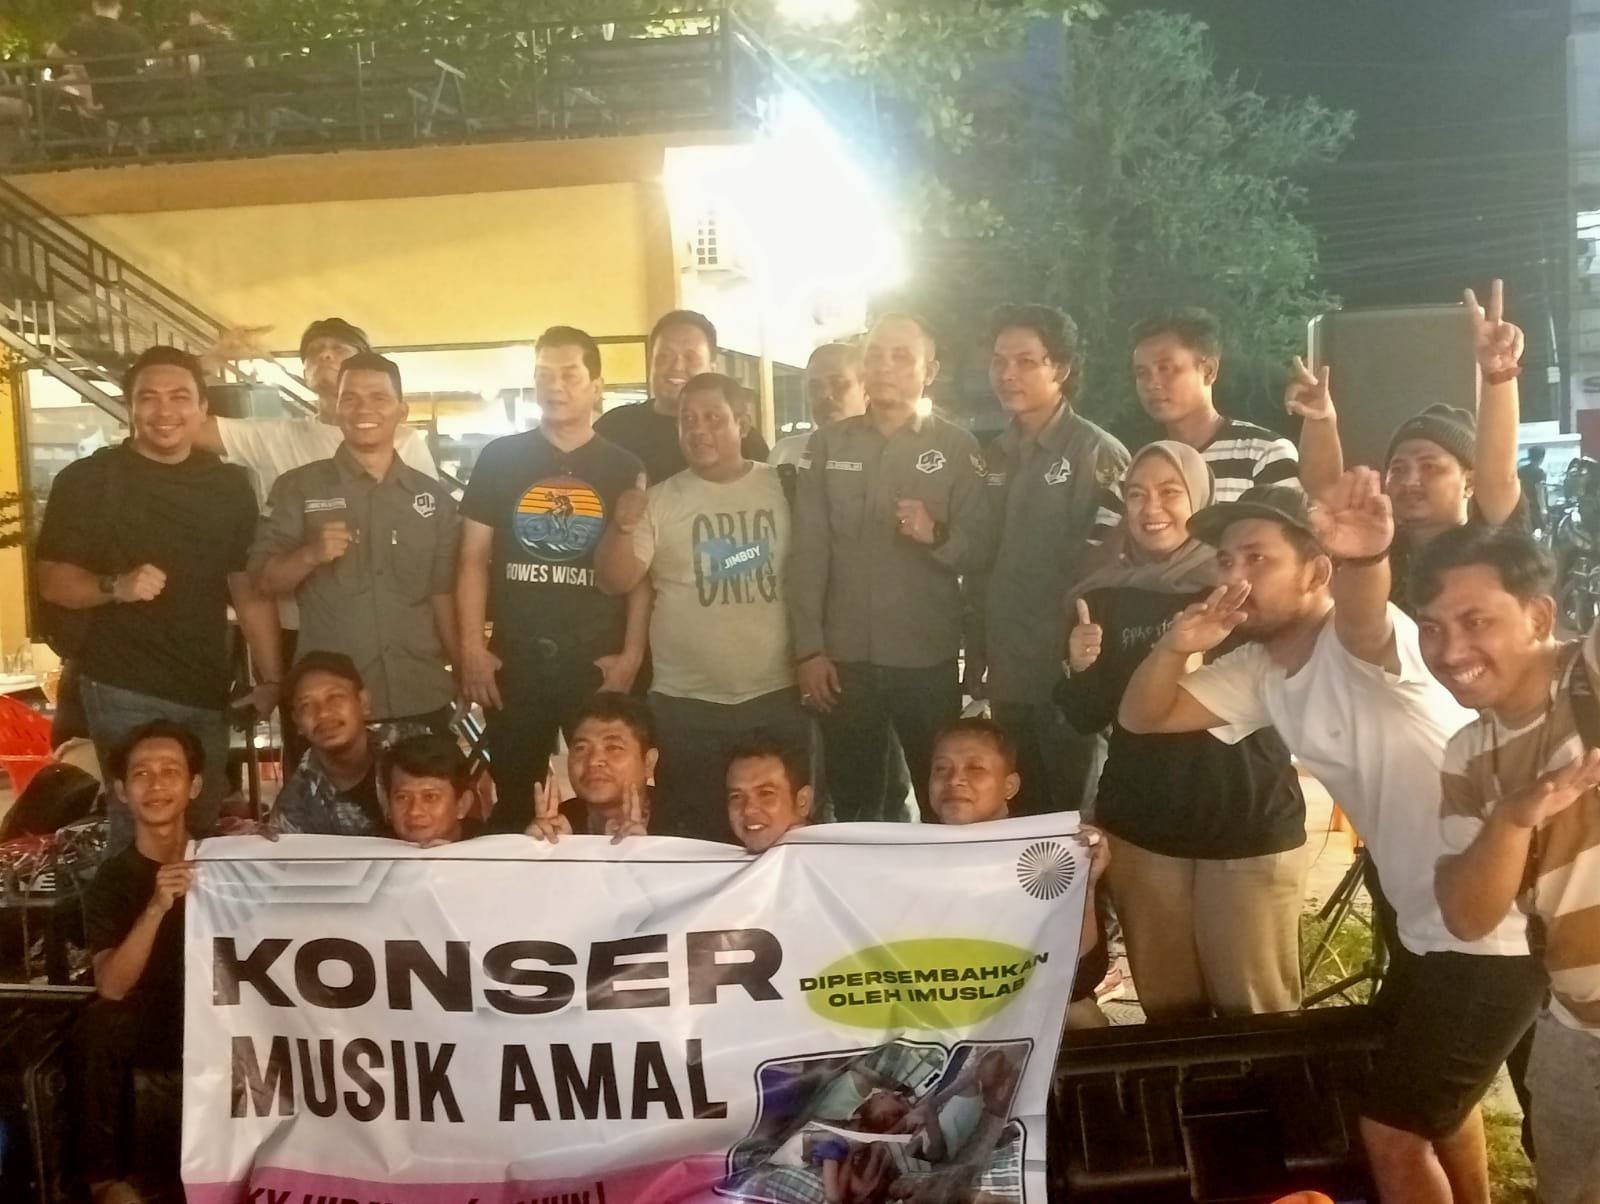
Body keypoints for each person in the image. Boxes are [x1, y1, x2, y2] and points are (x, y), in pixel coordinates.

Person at [1117, 473, 1543, 1204]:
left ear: (1317, 571)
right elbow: (1143, 718)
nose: (1234, 578)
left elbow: (1366, 614)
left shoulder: (1366, 641)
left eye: (1257, 558)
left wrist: (1365, 556)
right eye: (1225, 561)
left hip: (1497, 927)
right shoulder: (1260, 669)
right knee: (1433, 1102)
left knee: (1393, 1132)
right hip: (1426, 919)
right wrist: (1175, 647)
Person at [1058, 442, 1307, 1021]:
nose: (1152, 508)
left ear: (1199, 497)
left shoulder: (1240, 588)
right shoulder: (1099, 597)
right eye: (1136, 493)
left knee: (1259, 1013)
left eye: (1170, 491)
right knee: (1170, 1014)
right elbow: (1087, 717)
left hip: (1244, 820)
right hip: (1145, 825)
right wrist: (1079, 667)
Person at [35, 345, 282, 849]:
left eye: (180, 396)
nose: (164, 410)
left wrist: (273, 677)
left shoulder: (230, 485)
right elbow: (52, 581)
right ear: (129, 408)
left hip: (207, 686)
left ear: (203, 408)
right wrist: (115, 586)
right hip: (122, 683)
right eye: (149, 397)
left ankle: (183, 907)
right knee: (141, 831)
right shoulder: (89, 480)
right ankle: (133, 903)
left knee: (201, 826)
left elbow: (245, 587)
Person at [1421, 527, 1600, 1204]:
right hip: (1573, 1026)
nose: (1450, 651)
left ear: (1541, 616)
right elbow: (1468, 914)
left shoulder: (1590, 678)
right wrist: (1512, 819)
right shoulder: (1468, 753)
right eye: (1432, 628)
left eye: (1476, 622)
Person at [789, 314, 993, 823]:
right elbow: (808, 552)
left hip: (925, 659)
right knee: (855, 804)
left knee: (942, 800)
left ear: (930, 371)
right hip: (844, 662)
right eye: (875, 354)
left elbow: (981, 552)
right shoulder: (828, 445)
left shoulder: (957, 448)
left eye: (902, 356)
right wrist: (809, 649)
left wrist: (935, 534)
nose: (885, 366)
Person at [595, 372, 807, 840]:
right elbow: (615, 580)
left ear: (742, 423)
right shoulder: (658, 500)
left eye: (713, 417)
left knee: (781, 834)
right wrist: (623, 527)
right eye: (688, 420)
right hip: (686, 705)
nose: (699, 430)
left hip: (778, 695)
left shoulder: (785, 488)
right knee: (694, 834)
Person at [458, 325, 649, 833]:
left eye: (569, 374)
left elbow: (640, 572)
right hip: (516, 659)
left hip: (594, 659)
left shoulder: (624, 466)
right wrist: (472, 648)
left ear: (597, 386)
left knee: (610, 798)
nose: (555, 386)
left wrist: (631, 655)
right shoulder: (500, 458)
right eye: (544, 374)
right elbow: (472, 557)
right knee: (517, 798)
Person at [966, 303, 1130, 815]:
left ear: (1060, 368)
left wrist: (1083, 663)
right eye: (999, 361)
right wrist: (979, 651)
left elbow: (1111, 570)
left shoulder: (1096, 454)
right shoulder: (994, 454)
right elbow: (985, 561)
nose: (1007, 374)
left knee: (1072, 820)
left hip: (1067, 675)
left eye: (1025, 361)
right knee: (1020, 815)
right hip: (1009, 670)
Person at [249, 352, 459, 729]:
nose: (364, 409)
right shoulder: (298, 488)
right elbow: (262, 582)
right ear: (336, 409)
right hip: (329, 704)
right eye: (350, 398)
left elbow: (442, 594)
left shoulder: (433, 499)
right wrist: (311, 554)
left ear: (401, 410)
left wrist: (462, 666)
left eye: (379, 397)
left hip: (420, 690)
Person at [1295, 279, 1526, 613]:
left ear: (1470, 483)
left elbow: (1499, 477)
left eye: (1430, 466)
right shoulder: (1373, 544)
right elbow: (1326, 492)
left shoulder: (1494, 541)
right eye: (1398, 468)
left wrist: (1498, 375)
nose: (1410, 480)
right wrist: (1320, 421)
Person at [67, 721, 201, 1204]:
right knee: (98, 1024)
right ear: (122, 791)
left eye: (170, 771)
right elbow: (112, 986)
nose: (157, 783)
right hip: (155, 1018)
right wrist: (156, 907)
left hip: (223, 1010)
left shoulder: (227, 860)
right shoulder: (110, 880)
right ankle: (105, 1182)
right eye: (141, 773)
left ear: (194, 785)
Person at [927, 718, 1111, 1030]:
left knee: (1082, 1017)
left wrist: (1086, 887)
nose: (955, 779)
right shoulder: (904, 861)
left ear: (1009, 786)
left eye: (975, 768)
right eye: (941, 769)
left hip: (1029, 1000)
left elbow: (1082, 978)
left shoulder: (1050, 856)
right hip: (939, 1006)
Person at [198, 317, 437, 508]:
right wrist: (211, 360)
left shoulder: (403, 440)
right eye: (314, 351)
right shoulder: (275, 436)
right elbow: (189, 426)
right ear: (305, 374)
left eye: (339, 348)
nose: (325, 355)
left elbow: (430, 518)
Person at [1130, 308, 1299, 502]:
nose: (1152, 384)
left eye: (1165, 368)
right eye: (1142, 373)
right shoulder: (1137, 470)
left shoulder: (1264, 454)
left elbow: (1292, 522)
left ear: (1209, 371)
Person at [594, 310, 769, 484]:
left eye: (690, 358)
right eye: (664, 357)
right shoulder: (613, 428)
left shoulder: (739, 437)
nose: (677, 367)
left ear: (712, 368)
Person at [269, 652, 424, 837]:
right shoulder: (296, 803)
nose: (323, 713)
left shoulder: (413, 743)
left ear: (363, 702)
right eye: (307, 705)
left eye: (335, 697)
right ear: (297, 723)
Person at [526, 693, 655, 842]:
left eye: (613, 747)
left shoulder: (676, 823)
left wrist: (646, 851)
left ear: (648, 762)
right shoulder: (555, 825)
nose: (593, 760)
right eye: (581, 748)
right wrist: (537, 849)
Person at [770, 343, 868, 468]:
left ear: (867, 389)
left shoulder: (887, 457)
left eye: (837, 383)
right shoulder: (786, 455)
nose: (824, 394)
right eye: (814, 386)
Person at [48, 0, 148, 118]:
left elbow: (52, 53)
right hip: (125, 97)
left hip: (93, 96)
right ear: (119, 8)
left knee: (62, 85)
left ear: (94, 5)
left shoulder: (80, 30)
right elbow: (143, 64)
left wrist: (76, 61)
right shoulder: (131, 35)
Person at [382, 732, 477, 847]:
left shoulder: (491, 850)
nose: (414, 811)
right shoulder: (371, 849)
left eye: (430, 797)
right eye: (403, 797)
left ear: (463, 804)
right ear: (387, 804)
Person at [725, 735, 814, 853]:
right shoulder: (716, 861)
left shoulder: (832, 861)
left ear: (803, 801)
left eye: (765, 793)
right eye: (737, 796)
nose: (748, 809)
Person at [1517, 445, 1548, 537]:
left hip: (1522, 505)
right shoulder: (1540, 472)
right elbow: (1540, 491)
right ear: (1541, 458)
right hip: (1534, 507)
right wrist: (1543, 509)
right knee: (1539, 531)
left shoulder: (1520, 470)